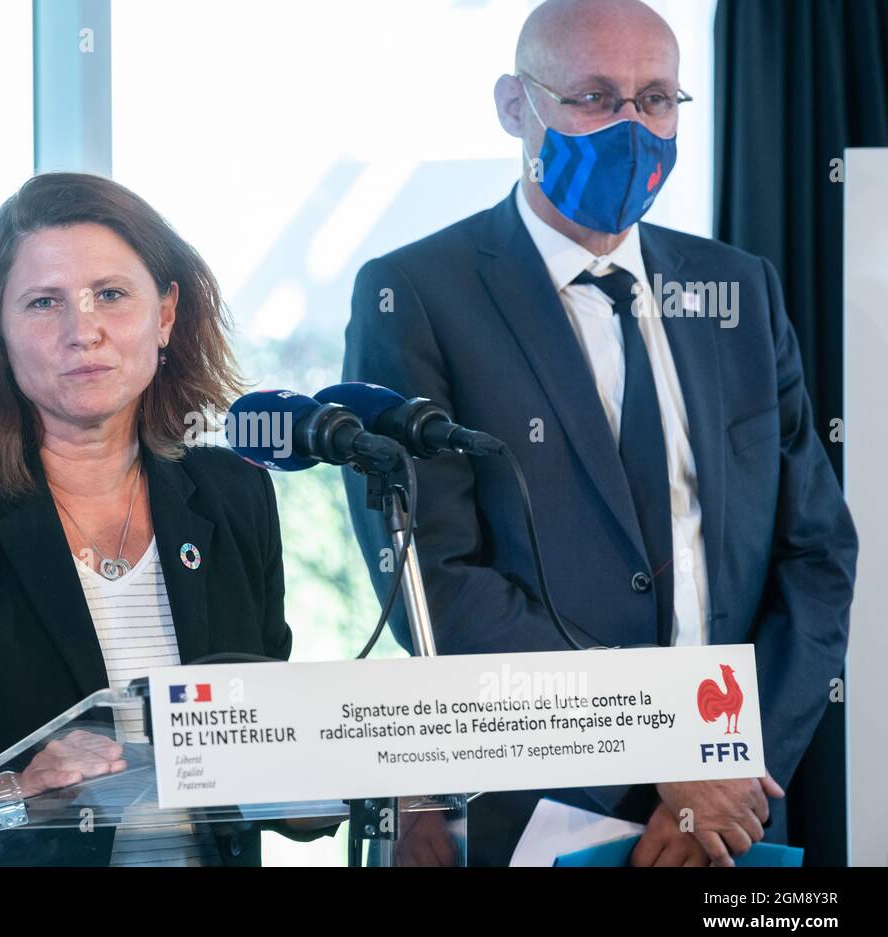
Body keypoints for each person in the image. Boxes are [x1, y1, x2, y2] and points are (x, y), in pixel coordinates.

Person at [342, 0, 856, 866]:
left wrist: (726, 770)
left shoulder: (740, 288)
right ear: (516, 105)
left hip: (742, 814)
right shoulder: (417, 294)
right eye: (594, 97)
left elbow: (815, 554)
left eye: (655, 100)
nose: (631, 128)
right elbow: (438, 580)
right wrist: (658, 757)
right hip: (544, 808)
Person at [0, 172, 328, 865]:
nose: (85, 331)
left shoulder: (232, 492)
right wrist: (13, 790)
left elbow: (259, 750)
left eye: (111, 294)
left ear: (165, 314)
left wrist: (344, 782)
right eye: (45, 303)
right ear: (0, 331)